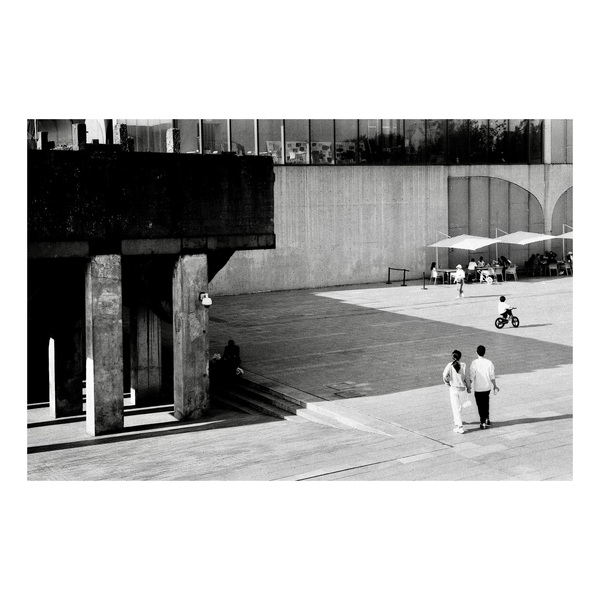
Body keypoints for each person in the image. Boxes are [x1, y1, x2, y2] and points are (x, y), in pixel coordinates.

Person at [469, 345, 499, 429]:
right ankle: (487, 418)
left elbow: (472, 376)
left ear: (476, 352)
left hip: (478, 388)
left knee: (480, 405)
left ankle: (482, 422)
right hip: (487, 387)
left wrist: (468, 385)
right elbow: (492, 376)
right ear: (484, 353)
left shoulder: (474, 363)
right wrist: (495, 386)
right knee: (486, 403)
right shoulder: (489, 362)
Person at [443, 349, 471, 434]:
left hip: (453, 389)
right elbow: (466, 378)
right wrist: (469, 387)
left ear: (453, 357)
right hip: (462, 389)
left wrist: (447, 383)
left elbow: (444, 375)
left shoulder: (450, 365)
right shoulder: (464, 365)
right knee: (459, 407)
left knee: (456, 407)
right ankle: (457, 421)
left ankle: (460, 426)